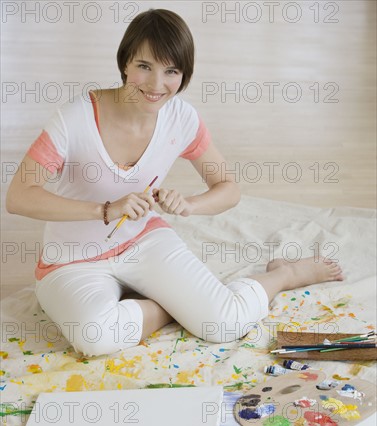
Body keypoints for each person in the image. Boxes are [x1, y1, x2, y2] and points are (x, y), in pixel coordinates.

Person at [6, 9, 343, 357]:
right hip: (72, 260)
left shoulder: (181, 119)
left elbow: (228, 187)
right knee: (94, 338)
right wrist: (105, 209)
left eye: (171, 71)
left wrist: (190, 204)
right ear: (125, 63)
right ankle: (170, 307)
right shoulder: (74, 119)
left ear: (184, 75)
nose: (156, 85)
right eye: (144, 66)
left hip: (143, 240)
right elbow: (18, 197)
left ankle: (285, 274)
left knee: (223, 323)